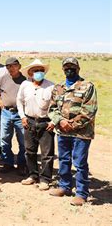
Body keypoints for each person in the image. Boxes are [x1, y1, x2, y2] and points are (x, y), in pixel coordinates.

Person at [48, 57, 98, 206]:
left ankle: (81, 193)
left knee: (80, 162)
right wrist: (61, 121)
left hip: (81, 132)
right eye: (66, 67)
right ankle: (64, 187)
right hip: (62, 131)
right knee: (63, 159)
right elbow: (52, 109)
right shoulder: (58, 87)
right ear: (63, 69)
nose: (69, 69)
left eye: (72, 67)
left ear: (78, 68)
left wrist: (72, 124)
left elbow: (90, 110)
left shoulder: (87, 86)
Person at [16, 59, 55, 191]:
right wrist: (22, 116)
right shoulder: (25, 84)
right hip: (29, 121)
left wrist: (53, 121)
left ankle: (45, 179)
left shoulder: (51, 86)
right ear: (30, 73)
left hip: (46, 123)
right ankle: (32, 175)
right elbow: (19, 101)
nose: (38, 73)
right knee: (30, 151)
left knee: (47, 153)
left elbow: (57, 106)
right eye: (35, 70)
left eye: (41, 70)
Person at [0, 57, 27, 174]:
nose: (10, 68)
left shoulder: (25, 80)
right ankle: (8, 163)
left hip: (20, 113)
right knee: (4, 139)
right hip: (6, 113)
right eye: (8, 66)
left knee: (23, 141)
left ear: (19, 66)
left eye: (13, 66)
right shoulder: (4, 78)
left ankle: (22, 165)